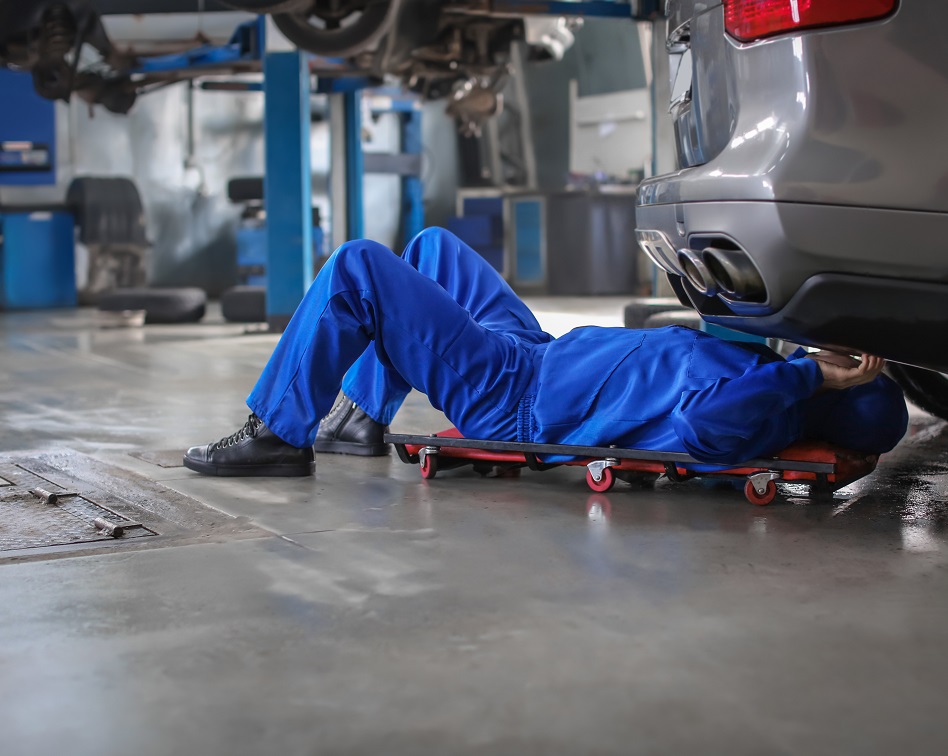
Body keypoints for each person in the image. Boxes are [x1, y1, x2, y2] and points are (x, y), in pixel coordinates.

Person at [183, 227, 908, 477]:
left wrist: (807, 372)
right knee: (435, 250)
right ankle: (362, 417)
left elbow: (703, 434)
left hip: (518, 400)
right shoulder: (772, 373)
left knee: (359, 267)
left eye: (846, 366)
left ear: (837, 396)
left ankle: (279, 432)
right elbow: (722, 329)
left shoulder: (769, 412)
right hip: (538, 353)